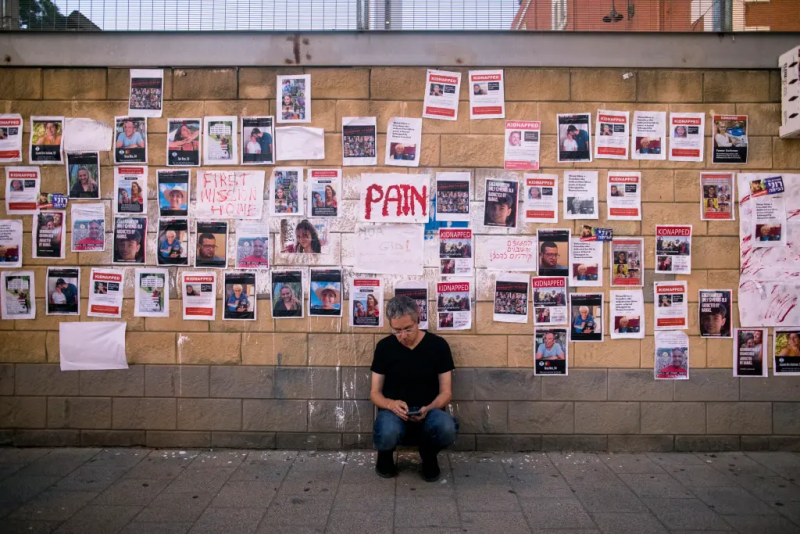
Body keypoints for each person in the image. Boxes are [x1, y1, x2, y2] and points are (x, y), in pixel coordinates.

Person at [370, 296, 458, 481]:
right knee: (387, 430)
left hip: (429, 410)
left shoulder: (438, 346)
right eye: (397, 331)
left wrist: (429, 408)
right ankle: (385, 454)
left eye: (408, 329)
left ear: (418, 319)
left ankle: (428, 453)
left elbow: (446, 393)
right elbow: (375, 393)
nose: (403, 336)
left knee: (447, 428)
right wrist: (391, 404)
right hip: (393, 412)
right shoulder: (384, 347)